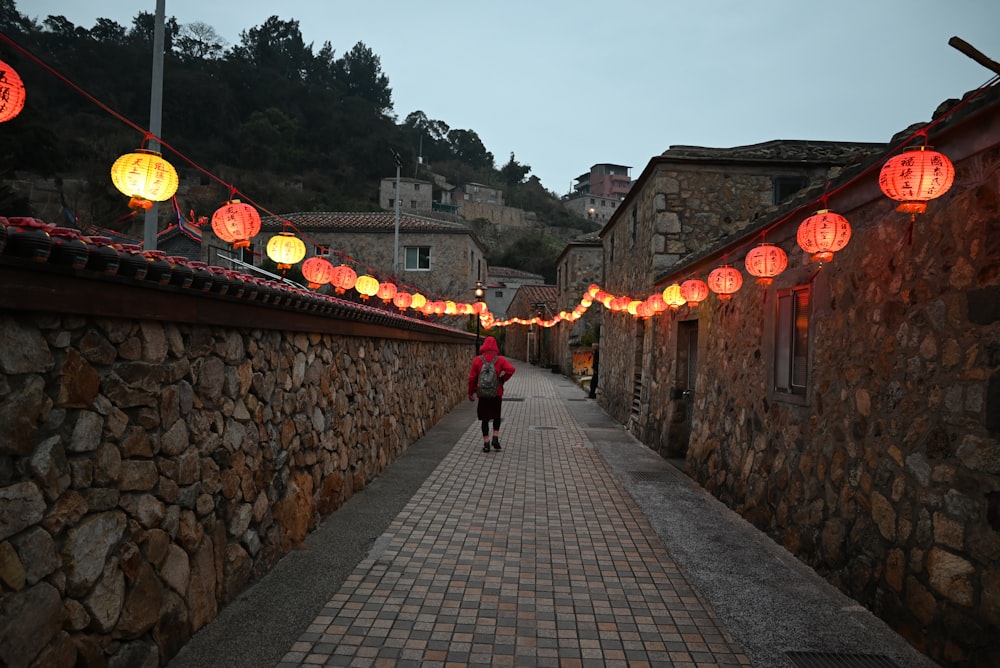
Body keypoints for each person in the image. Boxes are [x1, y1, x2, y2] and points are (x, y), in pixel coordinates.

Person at [468, 336, 516, 452]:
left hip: (483, 393)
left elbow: (472, 378)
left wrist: (471, 392)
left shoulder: (478, 360)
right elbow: (511, 369)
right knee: (496, 416)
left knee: (485, 419)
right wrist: (502, 379)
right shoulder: (500, 360)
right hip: (496, 392)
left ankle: (486, 443)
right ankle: (495, 437)